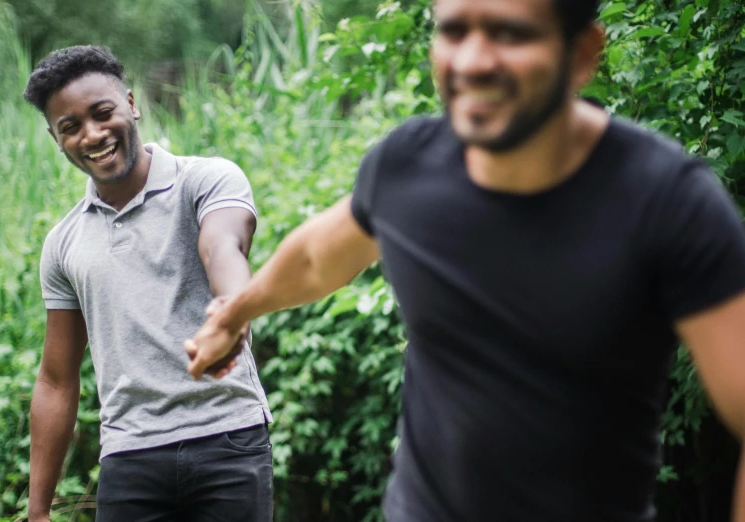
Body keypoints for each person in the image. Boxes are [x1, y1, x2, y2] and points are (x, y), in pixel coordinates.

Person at [185, 0, 745, 521]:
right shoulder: (408, 166)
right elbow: (314, 259)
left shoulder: (667, 202)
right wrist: (234, 315)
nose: (474, 61)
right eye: (454, 30)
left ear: (582, 55)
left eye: (511, 34)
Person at [24, 45, 273, 522]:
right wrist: (38, 511)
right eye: (70, 127)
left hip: (227, 440)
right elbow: (57, 380)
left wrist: (231, 310)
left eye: (103, 113)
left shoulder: (206, 180)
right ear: (56, 139)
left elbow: (222, 247)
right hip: (129, 455)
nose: (92, 135)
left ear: (132, 104)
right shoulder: (63, 243)